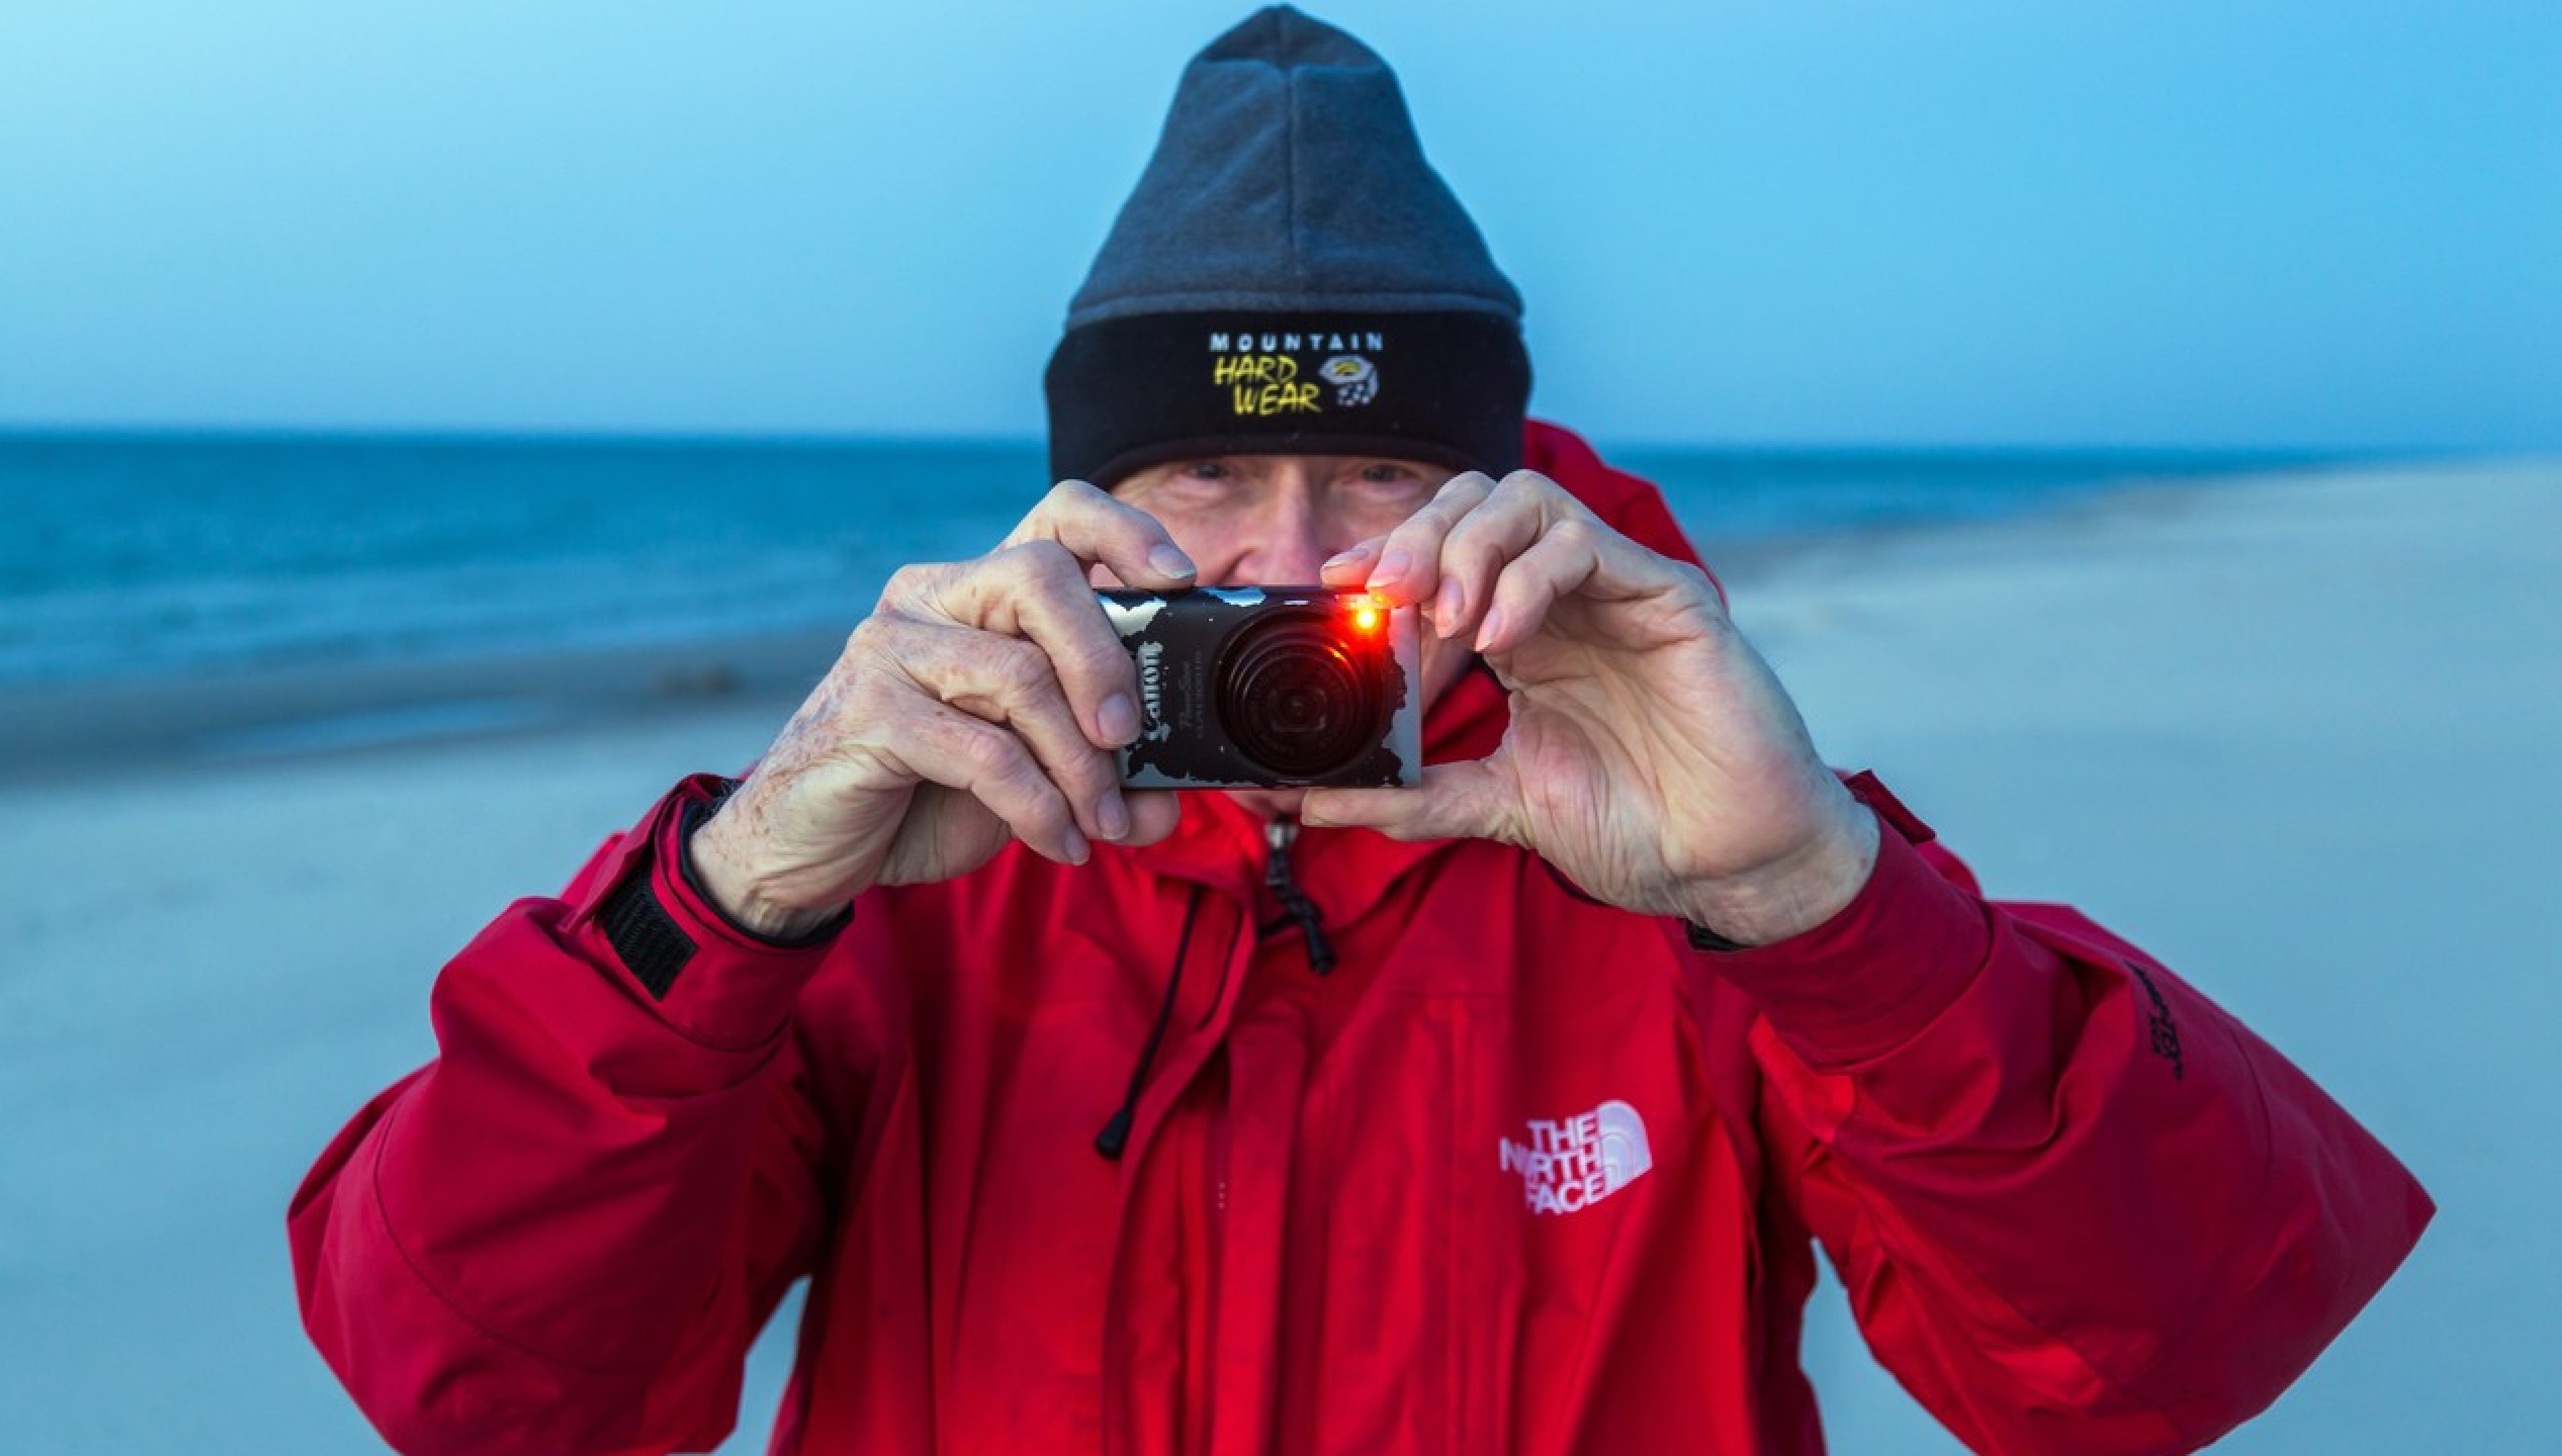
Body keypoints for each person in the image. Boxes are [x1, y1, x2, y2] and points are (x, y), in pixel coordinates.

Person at [289, 9, 2429, 1455]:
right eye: (1208, 480)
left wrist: (1821, 908)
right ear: (1089, 501)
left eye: (1383, 471)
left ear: (1507, 499)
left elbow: (2155, 1359)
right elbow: (474, 1388)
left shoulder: (1698, 863)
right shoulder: (922, 883)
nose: (1296, 557)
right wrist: (736, 897)